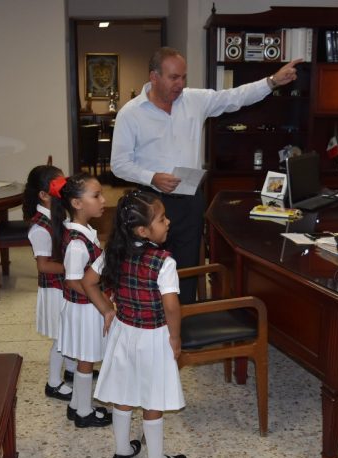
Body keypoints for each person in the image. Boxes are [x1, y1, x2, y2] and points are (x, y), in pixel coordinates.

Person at [111, 47, 301, 302]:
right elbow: (119, 164)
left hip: (190, 201)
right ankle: (153, 326)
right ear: (154, 77)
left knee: (186, 269)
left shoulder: (194, 100)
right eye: (174, 77)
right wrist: (152, 177)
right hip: (151, 205)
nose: (180, 84)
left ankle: (186, 322)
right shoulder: (131, 113)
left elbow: (236, 97)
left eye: (183, 77)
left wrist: (272, 81)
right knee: (151, 269)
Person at [85, 189, 187, 458]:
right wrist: (175, 339)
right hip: (154, 337)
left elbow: (88, 281)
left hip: (123, 333)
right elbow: (171, 308)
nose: (168, 222)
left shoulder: (114, 252)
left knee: (123, 393)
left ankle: (122, 450)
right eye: (162, 219)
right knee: (152, 398)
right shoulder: (164, 262)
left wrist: (108, 310)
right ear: (143, 230)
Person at [51, 173, 112, 428]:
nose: (103, 200)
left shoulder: (84, 232)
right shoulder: (77, 244)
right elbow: (73, 281)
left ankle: (77, 405)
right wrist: (102, 300)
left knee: (85, 359)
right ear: (77, 203)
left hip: (86, 306)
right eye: (96, 196)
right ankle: (84, 413)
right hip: (84, 309)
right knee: (86, 361)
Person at [23, 164, 76, 401]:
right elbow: (43, 265)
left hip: (63, 285)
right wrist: (74, 267)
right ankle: (53, 382)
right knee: (61, 338)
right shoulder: (39, 228)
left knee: (70, 330)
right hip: (54, 289)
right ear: (44, 195)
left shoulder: (56, 214)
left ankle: (73, 370)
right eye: (59, 187)